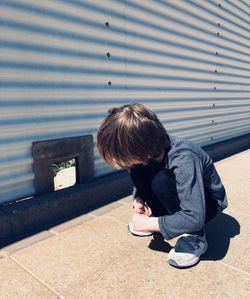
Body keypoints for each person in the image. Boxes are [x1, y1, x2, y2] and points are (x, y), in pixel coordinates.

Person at [97, 103, 227, 268]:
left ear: (143, 148)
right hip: (180, 195)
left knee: (161, 180)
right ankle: (166, 218)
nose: (126, 165)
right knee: (138, 170)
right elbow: (139, 174)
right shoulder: (151, 150)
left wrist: (149, 224)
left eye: (126, 158)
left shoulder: (184, 158)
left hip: (205, 204)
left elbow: (195, 216)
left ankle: (195, 235)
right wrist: (139, 197)